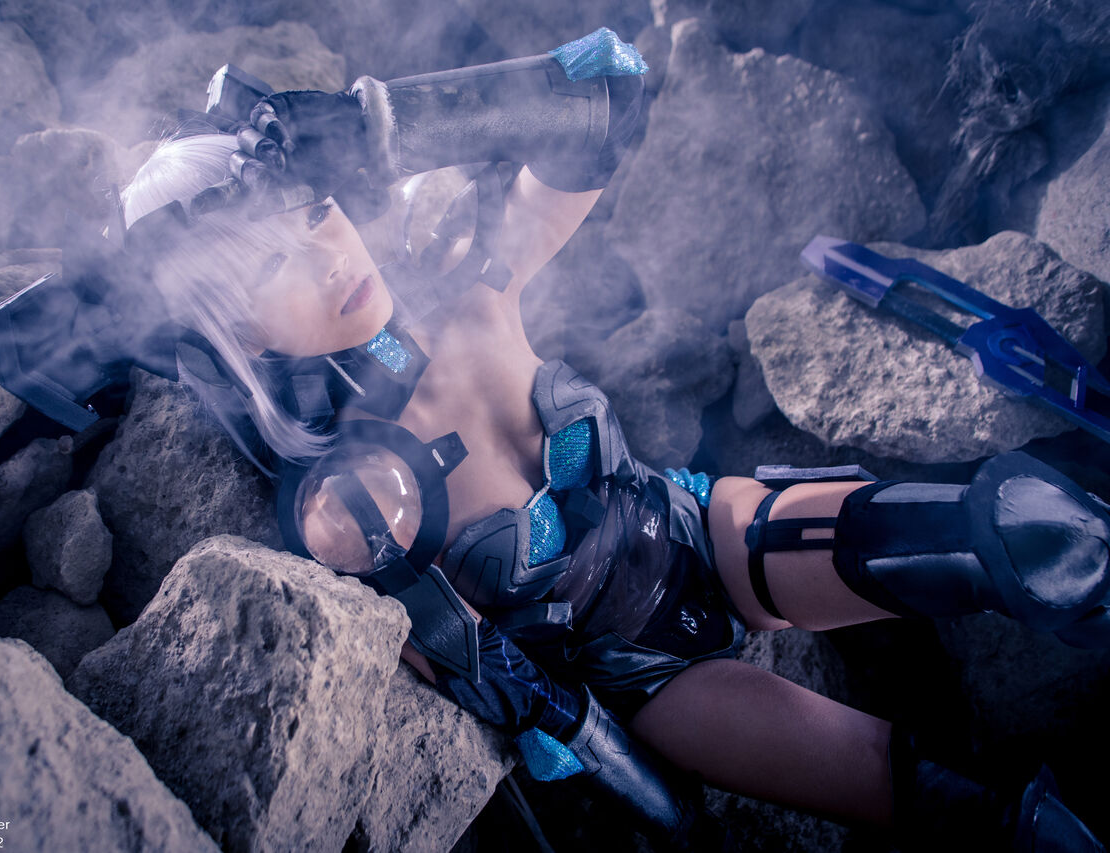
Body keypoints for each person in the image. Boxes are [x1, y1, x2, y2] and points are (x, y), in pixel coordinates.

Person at [102, 28, 1108, 851]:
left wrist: (374, 124)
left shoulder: (466, 289)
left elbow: (609, 82)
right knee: (974, 815)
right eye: (271, 263)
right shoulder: (347, 500)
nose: (327, 258)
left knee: (1027, 534)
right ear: (239, 336)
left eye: (317, 210)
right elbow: (493, 679)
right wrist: (580, 750)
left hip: (700, 529)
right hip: (655, 684)